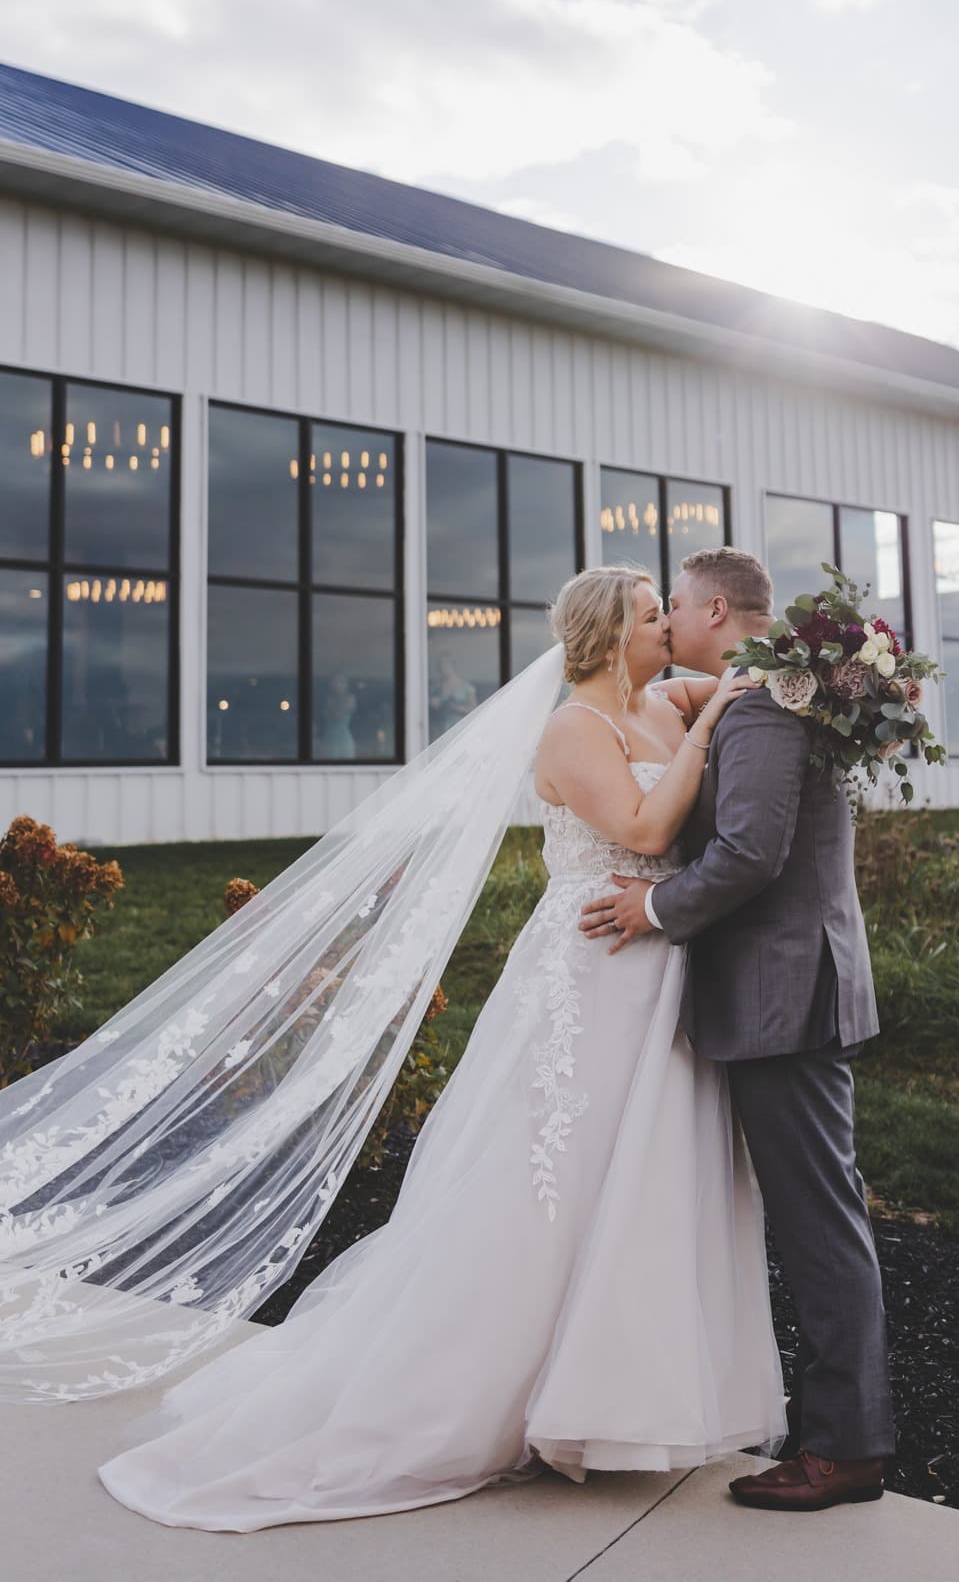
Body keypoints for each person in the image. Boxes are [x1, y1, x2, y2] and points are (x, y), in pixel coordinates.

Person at [92, 564, 784, 1531]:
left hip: (657, 970)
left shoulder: (664, 700)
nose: (667, 625)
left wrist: (844, 676)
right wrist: (710, 732)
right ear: (604, 636)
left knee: (642, 1177)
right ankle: (487, 1390)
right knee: (548, 1175)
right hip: (586, 971)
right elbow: (642, 824)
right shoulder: (572, 730)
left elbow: (762, 674)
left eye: (666, 612)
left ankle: (617, 1397)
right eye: (648, 615)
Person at [581, 545, 896, 1512]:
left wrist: (655, 908)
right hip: (792, 984)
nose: (668, 624)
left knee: (817, 1222)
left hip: (781, 992)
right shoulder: (765, 694)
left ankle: (844, 1450)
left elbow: (751, 851)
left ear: (715, 608)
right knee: (816, 1212)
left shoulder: (764, 705)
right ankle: (836, 1432)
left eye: (674, 607)